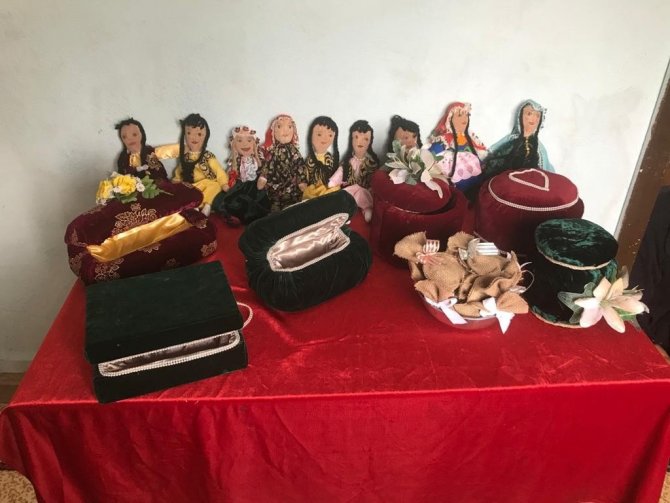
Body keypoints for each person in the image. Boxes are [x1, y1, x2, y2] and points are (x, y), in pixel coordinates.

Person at [172, 113, 229, 216]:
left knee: (215, 185)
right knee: (185, 191)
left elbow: (219, 171)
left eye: (199, 134)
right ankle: (195, 205)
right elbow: (179, 170)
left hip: (207, 185)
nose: (194, 137)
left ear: (205, 136)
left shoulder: (208, 156)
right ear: (185, 135)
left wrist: (224, 183)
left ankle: (206, 206)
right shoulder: (185, 157)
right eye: (189, 133)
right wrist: (176, 180)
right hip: (193, 186)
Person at [212, 125, 269, 224]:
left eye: (249, 140)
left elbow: (262, 168)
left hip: (254, 185)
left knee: (255, 201)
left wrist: (256, 153)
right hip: (240, 185)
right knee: (233, 200)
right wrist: (234, 157)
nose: (245, 144)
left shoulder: (255, 159)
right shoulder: (237, 160)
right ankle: (235, 217)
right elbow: (233, 172)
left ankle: (249, 218)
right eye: (239, 141)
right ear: (234, 144)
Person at [426, 102, 488, 194]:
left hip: (474, 171)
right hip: (458, 174)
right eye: (459, 115)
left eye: (467, 115)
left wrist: (480, 162)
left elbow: (474, 150)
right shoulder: (445, 139)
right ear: (449, 119)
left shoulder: (469, 136)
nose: (464, 118)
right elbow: (433, 153)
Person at [484, 99, 555, 178]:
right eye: (529, 114)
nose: (534, 119)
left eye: (537, 116)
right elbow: (494, 153)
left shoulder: (540, 149)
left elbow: (546, 169)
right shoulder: (511, 141)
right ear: (520, 116)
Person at [329, 120, 379, 222]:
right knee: (346, 193)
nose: (360, 142)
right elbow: (340, 172)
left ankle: (367, 209)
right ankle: (345, 212)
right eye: (356, 137)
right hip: (350, 190)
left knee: (363, 192)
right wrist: (333, 182)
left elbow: (375, 180)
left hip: (365, 191)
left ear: (370, 142)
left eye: (365, 139)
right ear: (351, 140)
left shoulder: (371, 163)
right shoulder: (348, 162)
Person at [257, 114, 307, 212]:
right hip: (275, 187)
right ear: (274, 131)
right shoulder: (273, 151)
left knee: (295, 207)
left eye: (289, 127)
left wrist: (301, 181)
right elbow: (268, 164)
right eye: (279, 126)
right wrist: (263, 178)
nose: (285, 130)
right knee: (274, 208)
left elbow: (299, 165)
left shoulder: (294, 151)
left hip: (292, 187)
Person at [302, 116, 340, 200]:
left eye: (330, 135)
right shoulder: (310, 159)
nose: (325, 138)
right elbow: (305, 177)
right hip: (314, 190)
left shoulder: (330, 157)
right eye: (319, 134)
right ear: (311, 136)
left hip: (329, 188)